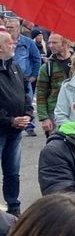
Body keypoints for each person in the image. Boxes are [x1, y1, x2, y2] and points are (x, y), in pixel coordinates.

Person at [0, 32, 34, 217]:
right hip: (3, 128)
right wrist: (10, 120)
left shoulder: (15, 67)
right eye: (9, 43)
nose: (14, 45)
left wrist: (28, 113)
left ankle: (14, 207)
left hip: (16, 130)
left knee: (12, 172)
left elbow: (25, 92)